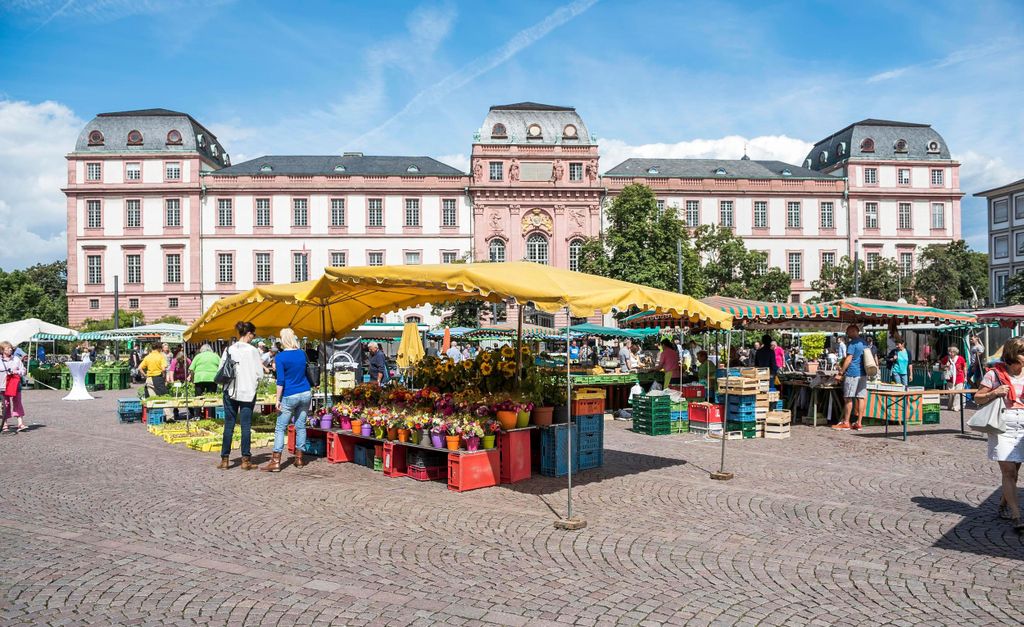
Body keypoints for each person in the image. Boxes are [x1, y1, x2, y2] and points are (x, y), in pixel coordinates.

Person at [974, 337, 1024, 533]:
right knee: (1009, 472)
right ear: (1012, 355)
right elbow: (977, 398)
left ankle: (1004, 503)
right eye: (1023, 353)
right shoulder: (994, 374)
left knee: (1015, 472)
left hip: (1022, 427)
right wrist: (994, 393)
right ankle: (1016, 515)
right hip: (1002, 426)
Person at [262, 328, 311, 472]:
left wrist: (277, 400)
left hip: (290, 394)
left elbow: (280, 381)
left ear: (283, 340)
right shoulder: (302, 354)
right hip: (305, 392)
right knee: (301, 426)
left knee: (280, 428)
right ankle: (299, 458)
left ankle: (276, 461)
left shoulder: (281, 357)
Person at [218, 321, 264, 471]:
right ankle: (245, 460)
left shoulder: (229, 349)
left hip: (230, 391)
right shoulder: (253, 351)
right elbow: (260, 374)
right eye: (253, 335)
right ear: (249, 333)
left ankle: (225, 459)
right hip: (248, 392)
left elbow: (220, 369)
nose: (253, 337)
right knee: (245, 426)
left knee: (229, 425)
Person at [835, 324, 867, 430]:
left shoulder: (853, 344)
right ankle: (859, 422)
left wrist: (841, 373)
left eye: (848, 331)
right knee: (861, 398)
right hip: (863, 374)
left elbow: (849, 359)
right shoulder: (864, 342)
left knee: (848, 397)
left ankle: (846, 422)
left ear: (854, 331)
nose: (847, 334)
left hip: (853, 373)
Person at [0, 341, 28, 433]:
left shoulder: (16, 359)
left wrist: (17, 372)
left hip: (15, 384)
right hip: (3, 385)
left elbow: (23, 370)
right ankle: (5, 423)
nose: (10, 349)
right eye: (8, 348)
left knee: (17, 402)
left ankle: (20, 423)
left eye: (11, 348)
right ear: (2, 350)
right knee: (5, 404)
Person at [189, 344, 221, 418]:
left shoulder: (198, 356)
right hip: (212, 378)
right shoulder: (215, 356)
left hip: (199, 378)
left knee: (198, 398)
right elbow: (221, 367)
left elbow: (191, 369)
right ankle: (211, 415)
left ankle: (197, 415)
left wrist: (193, 380)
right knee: (211, 398)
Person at [940, 346, 967, 411]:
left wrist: (965, 376)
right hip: (950, 379)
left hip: (959, 378)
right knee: (950, 393)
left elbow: (964, 367)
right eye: (949, 351)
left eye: (951, 352)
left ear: (955, 352)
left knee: (957, 393)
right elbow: (941, 366)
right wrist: (946, 365)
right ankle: (950, 406)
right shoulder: (946, 358)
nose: (950, 353)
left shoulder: (960, 358)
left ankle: (956, 407)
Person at [168, 347, 191, 421]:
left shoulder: (188, 361)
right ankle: (176, 411)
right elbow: (171, 372)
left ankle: (191, 410)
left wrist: (190, 377)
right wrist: (172, 382)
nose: (182, 361)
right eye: (181, 359)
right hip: (177, 380)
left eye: (183, 359)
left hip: (185, 380)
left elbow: (191, 370)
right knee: (176, 396)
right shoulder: (174, 361)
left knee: (188, 396)